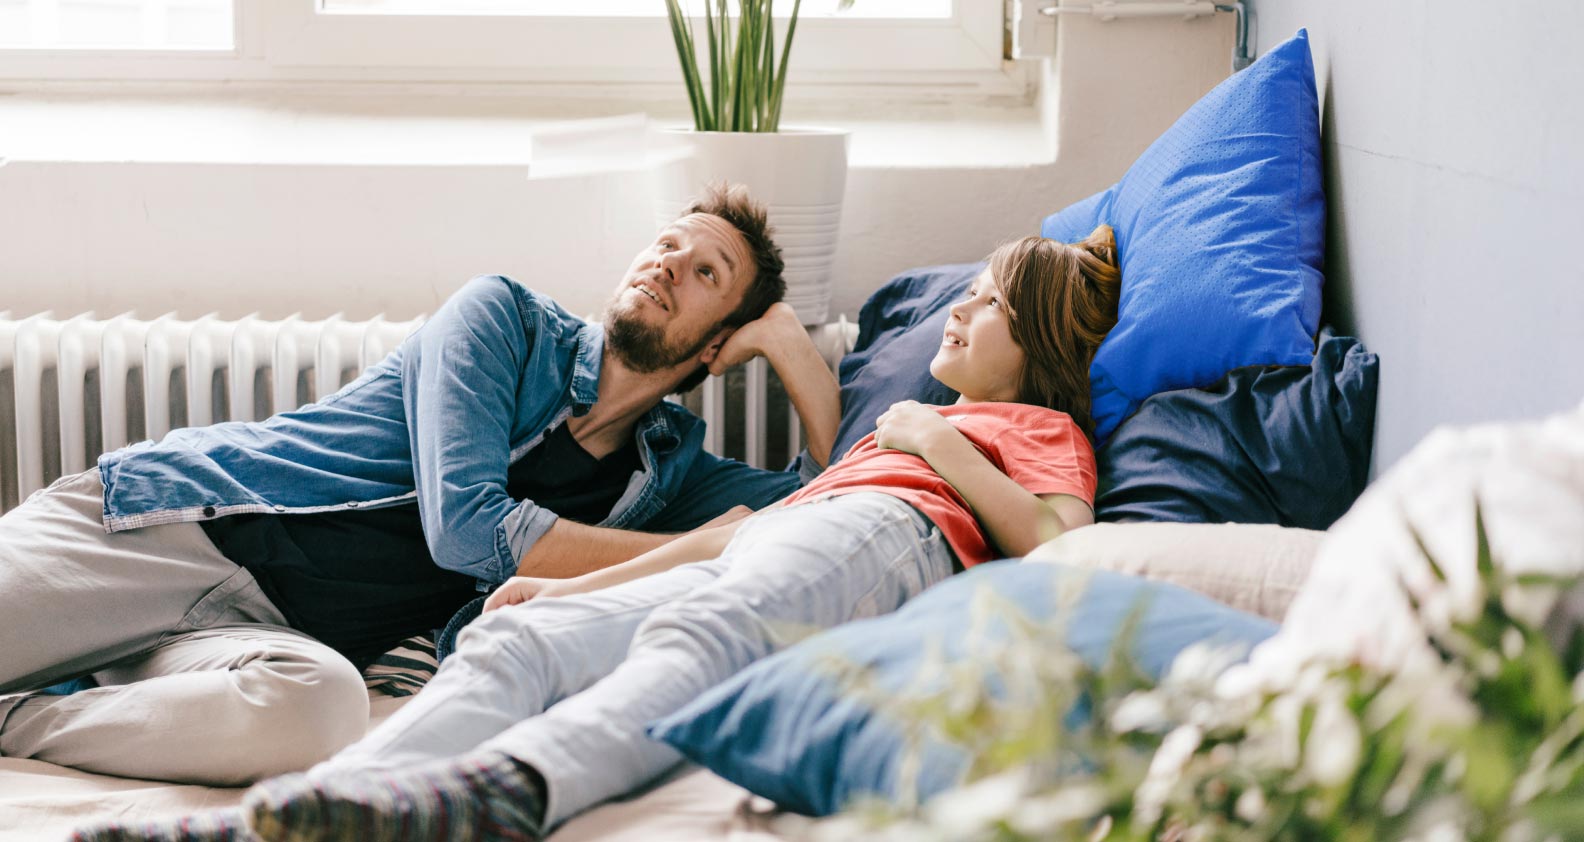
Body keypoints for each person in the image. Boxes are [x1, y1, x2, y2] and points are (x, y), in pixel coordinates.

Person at [75, 225, 1123, 842]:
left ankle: (515, 786)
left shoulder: (1034, 429)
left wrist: (935, 444)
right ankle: (301, 813)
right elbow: (742, 533)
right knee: (512, 639)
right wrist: (566, 591)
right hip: (804, 535)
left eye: (985, 306)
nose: (956, 316)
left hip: (887, 534)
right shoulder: (904, 433)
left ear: (1036, 343)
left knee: (701, 643)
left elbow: (1065, 542)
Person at [0, 183, 842, 786]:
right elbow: (467, 530)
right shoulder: (503, 318)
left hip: (269, 639)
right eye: (668, 244)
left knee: (321, 710)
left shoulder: (668, 469)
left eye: (707, 273)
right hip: (171, 536)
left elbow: (818, 520)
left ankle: (21, 720)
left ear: (716, 348)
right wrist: (686, 549)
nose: (669, 264)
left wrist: (795, 352)